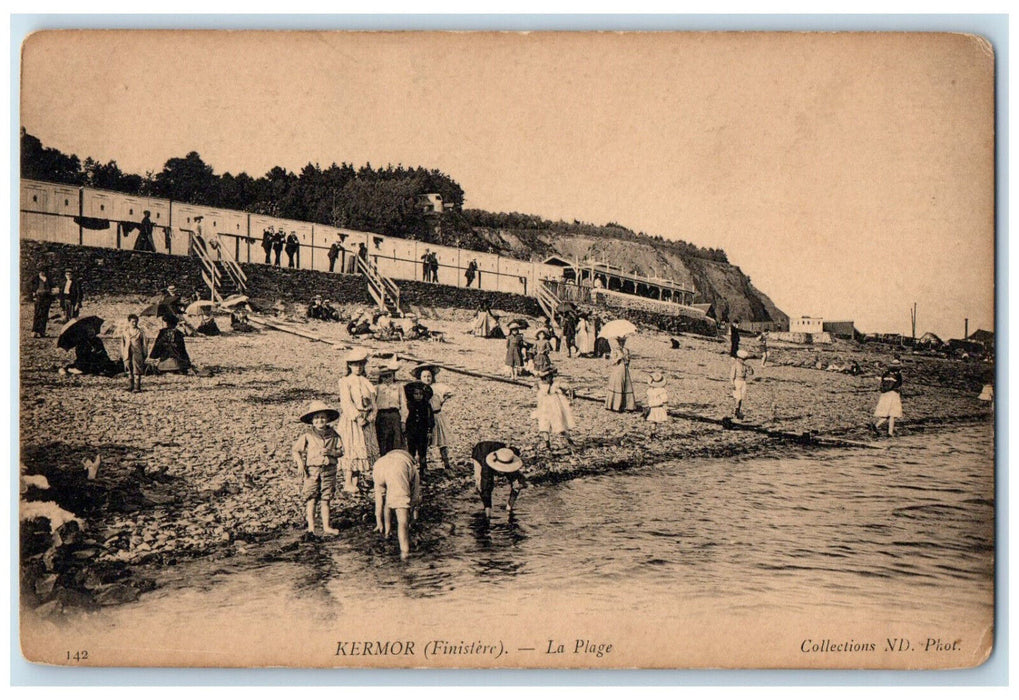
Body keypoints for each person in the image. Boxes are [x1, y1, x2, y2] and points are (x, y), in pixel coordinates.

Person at [292, 400, 342, 537]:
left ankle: (326, 526)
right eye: (316, 418)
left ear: (327, 419)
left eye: (322, 417)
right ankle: (311, 527)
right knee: (311, 498)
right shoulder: (308, 435)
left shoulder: (334, 435)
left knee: (326, 499)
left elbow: (341, 451)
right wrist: (300, 464)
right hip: (312, 471)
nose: (319, 420)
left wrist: (331, 453)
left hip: (329, 470)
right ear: (312, 421)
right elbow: (296, 450)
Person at [336, 347, 379, 493]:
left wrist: (372, 415)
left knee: (363, 449)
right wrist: (357, 417)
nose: (358, 367)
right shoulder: (345, 381)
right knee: (352, 449)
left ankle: (357, 480)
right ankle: (348, 482)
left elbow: (373, 402)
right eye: (355, 364)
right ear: (349, 365)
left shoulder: (366, 382)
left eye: (361, 364)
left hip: (367, 419)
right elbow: (346, 403)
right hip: (352, 421)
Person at [372, 449, 421, 560]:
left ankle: (386, 531)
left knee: (385, 498)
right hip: (398, 467)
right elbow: (414, 500)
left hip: (380, 465)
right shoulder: (414, 469)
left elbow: (380, 499)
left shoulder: (386, 460)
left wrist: (378, 519)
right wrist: (412, 521)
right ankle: (405, 551)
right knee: (402, 515)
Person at [472, 442, 527, 521]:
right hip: (480, 452)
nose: (502, 472)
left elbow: (517, 486)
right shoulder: (486, 466)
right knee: (480, 484)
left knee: (517, 484)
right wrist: (488, 516)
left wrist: (509, 509)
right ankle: (486, 508)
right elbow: (486, 488)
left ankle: (508, 508)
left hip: (501, 454)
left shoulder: (508, 457)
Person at [412, 364, 453, 471]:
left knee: (441, 441)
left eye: (429, 376)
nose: (427, 378)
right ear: (420, 378)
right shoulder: (418, 390)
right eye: (424, 376)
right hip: (424, 418)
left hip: (436, 415)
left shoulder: (437, 387)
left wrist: (443, 400)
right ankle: (422, 466)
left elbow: (449, 393)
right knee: (422, 442)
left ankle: (446, 463)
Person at [533, 368, 577, 453]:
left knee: (559, 426)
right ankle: (547, 445)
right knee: (544, 425)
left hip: (554, 408)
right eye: (545, 378)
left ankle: (570, 441)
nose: (547, 379)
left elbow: (568, 387)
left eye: (549, 377)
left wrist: (569, 394)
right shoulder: (539, 384)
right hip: (544, 408)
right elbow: (537, 392)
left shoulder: (556, 384)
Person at [374, 360, 408, 455]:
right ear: (381, 377)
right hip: (381, 416)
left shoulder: (398, 387)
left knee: (396, 440)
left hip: (394, 415)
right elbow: (373, 404)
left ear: (393, 375)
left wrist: (403, 420)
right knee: (383, 440)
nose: (387, 378)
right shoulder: (377, 388)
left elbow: (404, 404)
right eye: (384, 376)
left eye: (389, 375)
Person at [403, 380, 434, 479]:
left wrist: (430, 431)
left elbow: (430, 419)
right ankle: (411, 469)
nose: (418, 396)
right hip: (411, 431)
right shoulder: (409, 405)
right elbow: (405, 417)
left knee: (423, 450)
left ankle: (423, 468)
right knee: (411, 449)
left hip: (422, 431)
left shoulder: (426, 405)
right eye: (416, 394)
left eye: (420, 394)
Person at [870, 358, 903, 437]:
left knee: (886, 414)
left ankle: (877, 425)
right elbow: (898, 384)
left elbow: (882, 383)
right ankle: (889, 432)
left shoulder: (885, 374)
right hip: (893, 394)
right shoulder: (897, 376)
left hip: (884, 395)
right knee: (892, 414)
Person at [605, 336, 637, 412]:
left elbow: (628, 361)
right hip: (617, 369)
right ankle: (615, 405)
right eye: (620, 342)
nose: (622, 343)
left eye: (623, 342)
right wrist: (618, 358)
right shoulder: (614, 351)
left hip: (624, 368)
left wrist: (626, 359)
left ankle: (627, 405)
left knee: (626, 385)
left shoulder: (626, 350)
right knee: (618, 384)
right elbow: (612, 362)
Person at [121, 313, 148, 392]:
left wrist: (145, 354)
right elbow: (122, 344)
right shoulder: (125, 332)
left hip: (137, 353)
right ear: (129, 322)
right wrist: (122, 354)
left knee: (137, 369)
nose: (134, 323)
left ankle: (137, 387)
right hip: (127, 353)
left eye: (136, 322)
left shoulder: (140, 332)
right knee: (129, 368)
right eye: (132, 322)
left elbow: (144, 344)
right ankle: (130, 385)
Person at [30, 269, 55, 338]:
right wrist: (34, 294)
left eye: (43, 271)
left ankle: (42, 331)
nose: (42, 272)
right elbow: (32, 289)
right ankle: (34, 331)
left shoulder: (48, 279)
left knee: (44, 315)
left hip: (47, 299)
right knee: (37, 314)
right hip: (39, 299)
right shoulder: (35, 279)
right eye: (41, 271)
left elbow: (52, 288)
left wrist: (52, 293)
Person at [730, 349, 754, 420]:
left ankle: (738, 411)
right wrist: (732, 384)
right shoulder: (735, 365)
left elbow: (751, 373)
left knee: (741, 398)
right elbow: (732, 375)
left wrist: (750, 368)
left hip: (743, 382)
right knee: (738, 397)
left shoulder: (744, 365)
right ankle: (736, 410)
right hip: (737, 381)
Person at [645, 371, 669, 437]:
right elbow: (665, 399)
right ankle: (660, 433)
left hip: (652, 408)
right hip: (659, 407)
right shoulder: (661, 390)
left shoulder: (650, 390)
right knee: (660, 420)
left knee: (653, 421)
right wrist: (666, 406)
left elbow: (649, 398)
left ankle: (653, 432)